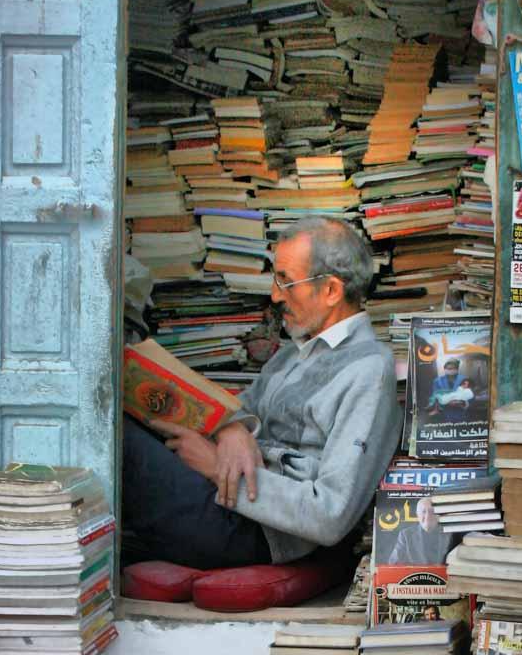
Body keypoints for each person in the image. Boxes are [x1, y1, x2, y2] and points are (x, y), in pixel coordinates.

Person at [122, 218, 401, 570]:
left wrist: (213, 468)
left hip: (255, 531)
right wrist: (231, 429)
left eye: (287, 282)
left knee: (116, 438)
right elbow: (238, 412)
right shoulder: (291, 354)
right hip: (221, 500)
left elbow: (330, 515)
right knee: (126, 407)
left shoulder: (370, 370)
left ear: (331, 291)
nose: (274, 295)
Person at [389, 496, 455, 567]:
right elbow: (393, 564)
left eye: (432, 511)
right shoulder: (406, 535)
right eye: (423, 512)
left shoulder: (450, 534)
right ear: (418, 515)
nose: (427, 516)